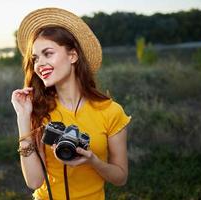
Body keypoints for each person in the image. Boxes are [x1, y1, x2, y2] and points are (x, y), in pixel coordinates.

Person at [11, 7, 131, 200]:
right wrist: (23, 117)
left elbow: (120, 177)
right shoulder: (39, 109)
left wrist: (93, 160)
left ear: (72, 56)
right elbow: (34, 182)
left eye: (47, 53)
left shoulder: (110, 111)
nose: (39, 64)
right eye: (35, 58)